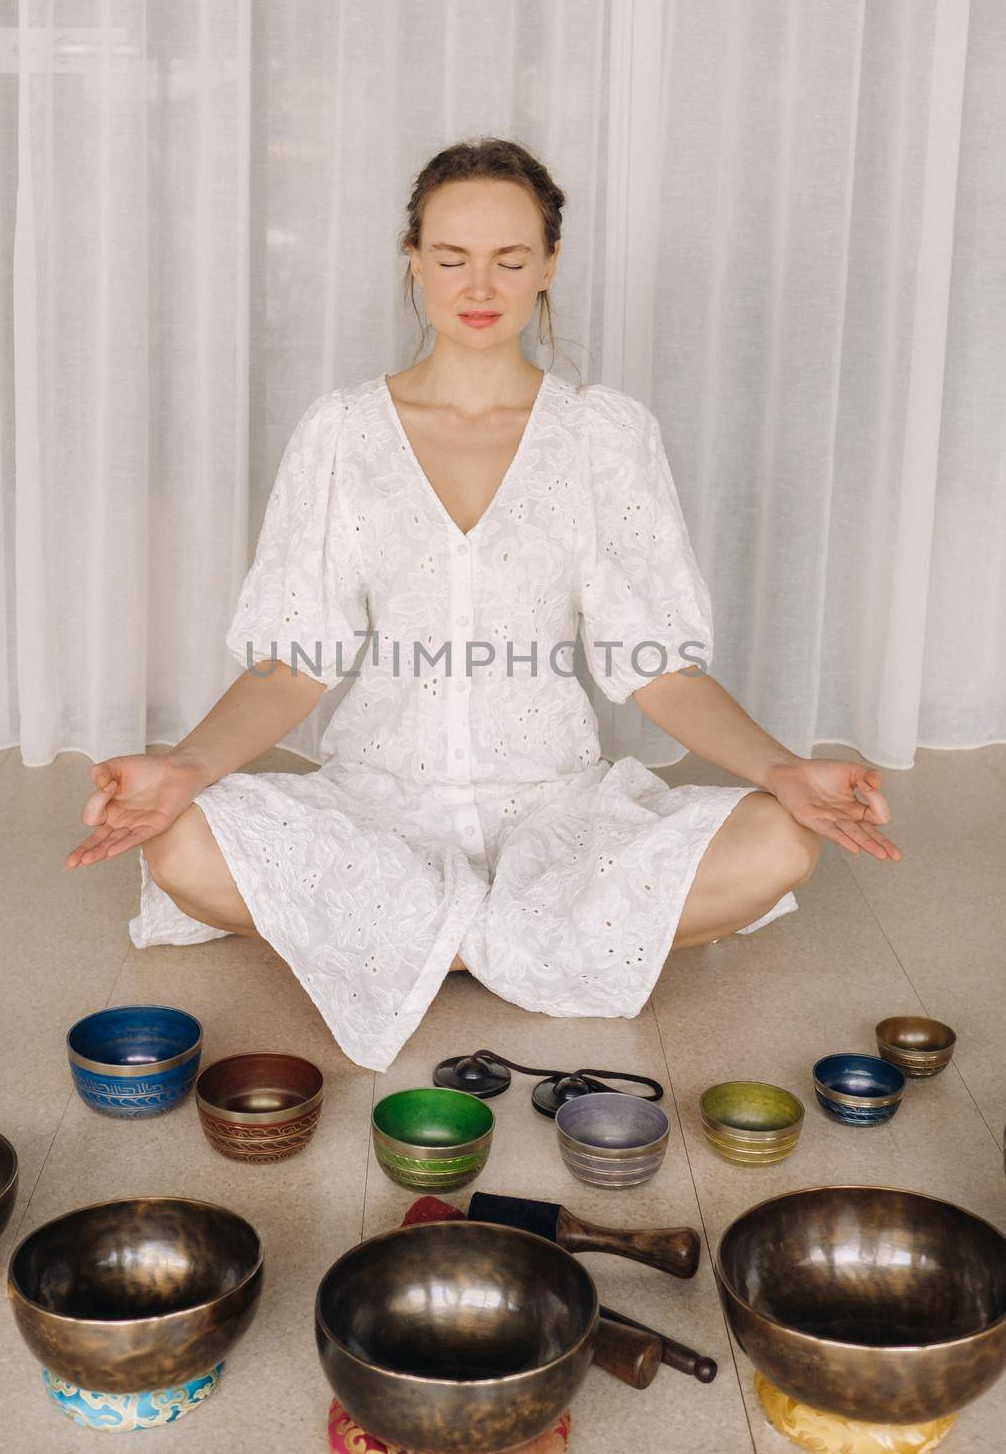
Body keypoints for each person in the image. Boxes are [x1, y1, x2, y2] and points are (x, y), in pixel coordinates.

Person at [65, 137, 901, 1073]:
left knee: (782, 840)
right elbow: (292, 660)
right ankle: (525, 948)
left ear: (547, 266)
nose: (480, 284)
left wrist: (785, 769)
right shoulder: (340, 433)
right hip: (380, 811)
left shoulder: (602, 434)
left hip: (556, 811)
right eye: (452, 256)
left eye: (509, 258)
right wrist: (181, 766)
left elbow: (657, 665)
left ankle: (414, 946)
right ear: (412, 260)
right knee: (179, 842)